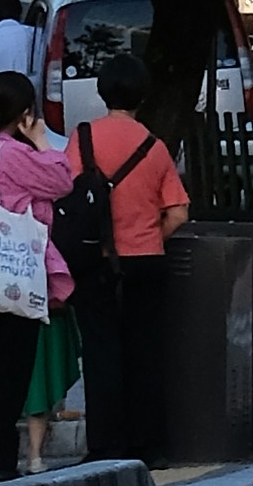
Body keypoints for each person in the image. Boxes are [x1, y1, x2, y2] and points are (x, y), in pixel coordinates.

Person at [0, 70, 77, 485]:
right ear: (23, 114)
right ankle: (2, 463)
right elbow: (61, 182)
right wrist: (42, 141)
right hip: (19, 272)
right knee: (15, 372)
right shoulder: (12, 154)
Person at [65, 63, 190, 464]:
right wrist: (150, 235)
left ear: (102, 94)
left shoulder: (82, 139)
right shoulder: (153, 147)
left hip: (93, 261)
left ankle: (105, 445)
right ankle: (149, 445)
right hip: (145, 260)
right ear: (142, 96)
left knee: (100, 353)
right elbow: (178, 212)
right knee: (145, 352)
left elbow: (63, 194)